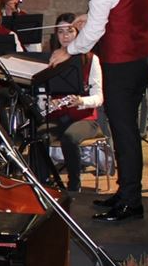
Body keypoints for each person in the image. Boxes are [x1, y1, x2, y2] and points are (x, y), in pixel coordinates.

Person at [49, 0, 148, 221]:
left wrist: (68, 50)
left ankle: (131, 202)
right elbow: (126, 10)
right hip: (141, 61)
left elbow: (95, 32)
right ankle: (125, 193)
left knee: (124, 133)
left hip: (120, 65)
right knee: (126, 130)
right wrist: (89, 16)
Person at [39, 14, 103, 193]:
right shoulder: (50, 59)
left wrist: (81, 101)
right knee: (39, 136)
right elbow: (41, 93)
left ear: (78, 33)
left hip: (85, 118)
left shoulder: (91, 59)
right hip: (57, 116)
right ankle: (43, 182)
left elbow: (99, 97)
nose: (65, 36)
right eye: (60, 32)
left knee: (69, 137)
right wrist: (48, 102)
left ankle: (74, 185)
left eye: (70, 31)